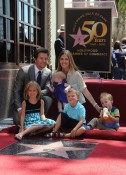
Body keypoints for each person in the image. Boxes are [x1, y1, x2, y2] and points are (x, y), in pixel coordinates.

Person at [12, 47, 52, 127]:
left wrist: (35, 93)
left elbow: (47, 90)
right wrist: (19, 108)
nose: (44, 61)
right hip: (24, 103)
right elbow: (16, 91)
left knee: (48, 99)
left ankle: (40, 118)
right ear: (35, 59)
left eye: (46, 59)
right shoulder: (24, 71)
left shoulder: (48, 72)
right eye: (41, 58)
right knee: (19, 122)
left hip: (37, 103)